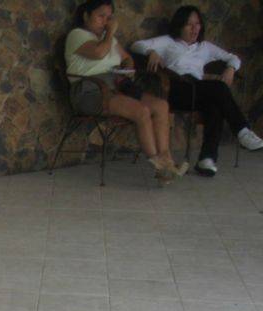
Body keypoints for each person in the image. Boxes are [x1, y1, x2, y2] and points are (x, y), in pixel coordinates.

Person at [132, 5, 263, 177]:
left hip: (197, 90)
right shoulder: (168, 41)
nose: (195, 28)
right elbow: (136, 45)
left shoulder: (205, 46)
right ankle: (242, 130)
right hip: (175, 88)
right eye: (189, 24)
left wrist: (230, 69)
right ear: (180, 25)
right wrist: (151, 52)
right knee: (219, 88)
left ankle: (206, 160)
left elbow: (233, 58)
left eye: (198, 24)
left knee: (215, 106)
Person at [65, 0, 186, 182]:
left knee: (161, 105)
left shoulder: (109, 40)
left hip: (117, 86)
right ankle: (160, 166)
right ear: (86, 16)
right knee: (141, 111)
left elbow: (127, 57)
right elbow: (99, 53)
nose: (105, 21)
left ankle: (166, 159)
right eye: (100, 16)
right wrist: (110, 33)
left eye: (109, 17)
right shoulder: (77, 35)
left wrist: (127, 69)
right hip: (91, 91)